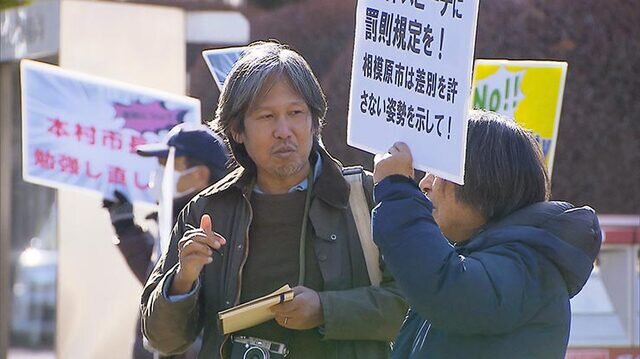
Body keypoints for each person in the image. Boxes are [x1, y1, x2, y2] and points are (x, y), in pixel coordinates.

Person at [140, 41, 407, 358]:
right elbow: (162, 340)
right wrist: (183, 280)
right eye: (267, 116)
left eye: (295, 113)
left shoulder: (365, 198)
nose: (284, 130)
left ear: (313, 120)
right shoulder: (208, 210)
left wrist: (325, 310)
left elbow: (412, 307)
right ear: (237, 130)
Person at [371, 110, 602, 358]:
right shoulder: (497, 260)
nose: (424, 184)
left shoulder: (528, 267)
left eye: (439, 172)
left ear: (486, 178)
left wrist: (396, 191)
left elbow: (448, 290)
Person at [103, 123, 230, 359]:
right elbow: (162, 282)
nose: (158, 173)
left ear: (200, 175)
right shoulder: (175, 219)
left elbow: (181, 295)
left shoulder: (211, 229)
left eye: (168, 165)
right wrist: (125, 227)